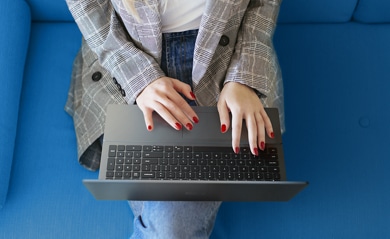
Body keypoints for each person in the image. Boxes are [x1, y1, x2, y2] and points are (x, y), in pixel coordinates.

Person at [65, 0, 284, 238]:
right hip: (125, 53)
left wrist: (242, 78)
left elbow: (263, 3)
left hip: (225, 62)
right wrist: (140, 79)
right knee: (170, 229)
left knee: (170, 229)